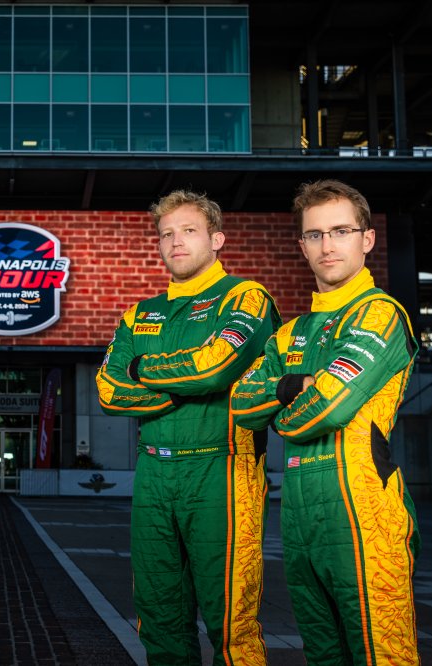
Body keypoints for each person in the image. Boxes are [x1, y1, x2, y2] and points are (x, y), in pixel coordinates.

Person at [231, 180, 420, 664]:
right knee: (321, 655)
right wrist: (293, 387)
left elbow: (328, 407)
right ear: (302, 246)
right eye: (314, 235)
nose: (327, 245)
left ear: (367, 239)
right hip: (297, 513)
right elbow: (241, 403)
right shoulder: (289, 332)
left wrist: (280, 408)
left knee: (384, 655)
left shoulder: (380, 314)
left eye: (340, 231)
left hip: (364, 509)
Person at [96, 190, 280, 665]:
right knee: (158, 617)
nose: (176, 242)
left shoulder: (246, 297)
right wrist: (184, 386)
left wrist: (143, 370)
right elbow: (109, 391)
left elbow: (215, 368)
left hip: (223, 470)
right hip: (153, 475)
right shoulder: (140, 313)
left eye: (189, 231)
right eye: (166, 234)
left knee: (231, 623)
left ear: (216, 239)